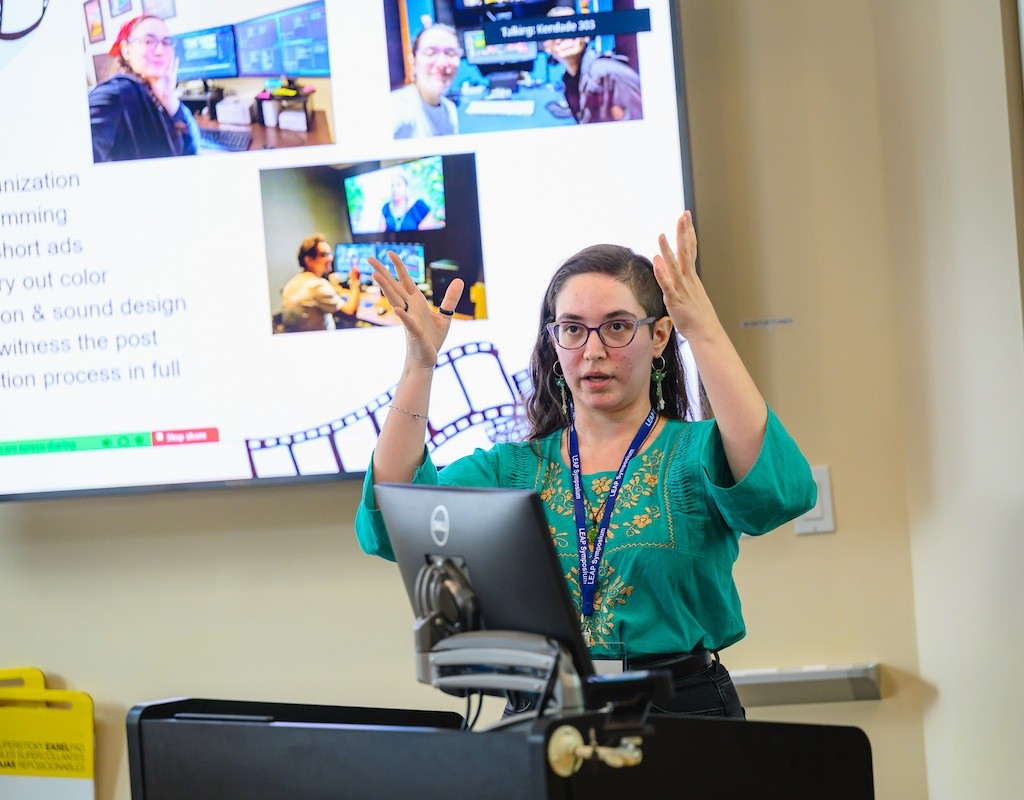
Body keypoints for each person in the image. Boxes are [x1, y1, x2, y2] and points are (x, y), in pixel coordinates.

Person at [354, 211, 816, 719]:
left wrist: (701, 329)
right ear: (555, 341)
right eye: (572, 329)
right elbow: (393, 518)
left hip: (681, 713)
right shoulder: (513, 469)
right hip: (543, 713)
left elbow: (778, 492)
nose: (593, 351)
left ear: (659, 336)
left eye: (616, 327)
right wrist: (420, 363)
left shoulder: (698, 452)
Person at [89, 15, 201, 162]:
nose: (160, 50)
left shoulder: (157, 96)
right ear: (126, 50)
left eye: (166, 42)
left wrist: (169, 98)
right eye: (148, 41)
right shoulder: (117, 94)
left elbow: (192, 151)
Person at [542, 6, 643, 123]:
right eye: (556, 30)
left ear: (586, 35)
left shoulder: (603, 74)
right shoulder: (572, 83)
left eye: (572, 27)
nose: (565, 36)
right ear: (547, 46)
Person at [390, 23, 461, 139]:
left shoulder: (449, 110)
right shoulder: (397, 109)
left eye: (450, 53)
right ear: (413, 61)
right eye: (430, 53)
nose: (442, 63)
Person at [280, 235, 362, 333]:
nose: (331, 258)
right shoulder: (318, 286)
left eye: (330, 254)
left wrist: (333, 287)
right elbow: (350, 313)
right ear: (309, 260)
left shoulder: (294, 281)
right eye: (324, 255)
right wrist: (355, 281)